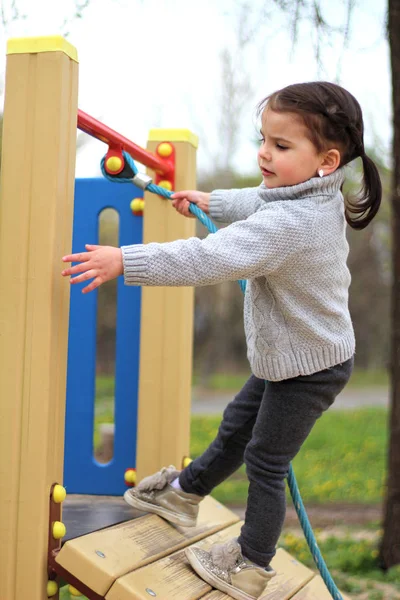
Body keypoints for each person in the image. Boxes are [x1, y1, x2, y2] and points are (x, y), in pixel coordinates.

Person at [62, 81, 382, 600]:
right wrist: (211, 200)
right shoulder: (306, 194)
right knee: (237, 426)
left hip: (311, 368)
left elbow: (208, 258)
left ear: (326, 160)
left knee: (265, 460)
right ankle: (185, 495)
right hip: (292, 356)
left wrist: (126, 259)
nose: (264, 153)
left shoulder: (291, 224)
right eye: (264, 140)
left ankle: (252, 564)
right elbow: (258, 200)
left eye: (281, 146)